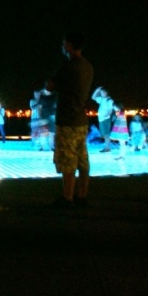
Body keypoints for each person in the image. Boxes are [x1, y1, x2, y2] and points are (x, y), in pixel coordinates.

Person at [47, 30, 94, 209]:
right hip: (81, 119)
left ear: (70, 45)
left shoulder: (68, 66)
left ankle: (67, 198)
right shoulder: (88, 67)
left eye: (64, 43)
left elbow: (50, 85)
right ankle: (82, 196)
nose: (62, 46)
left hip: (67, 120)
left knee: (67, 160)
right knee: (82, 160)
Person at [92, 86, 115, 152]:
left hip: (105, 119)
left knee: (106, 134)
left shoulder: (109, 100)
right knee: (105, 134)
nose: (101, 94)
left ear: (106, 92)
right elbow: (93, 97)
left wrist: (106, 116)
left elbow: (110, 110)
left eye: (102, 92)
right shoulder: (102, 99)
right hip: (101, 119)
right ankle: (106, 147)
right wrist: (97, 90)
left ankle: (107, 148)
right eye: (101, 92)